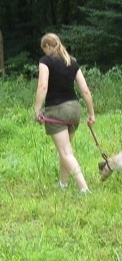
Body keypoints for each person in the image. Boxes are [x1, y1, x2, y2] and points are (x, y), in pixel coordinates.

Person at [34, 33, 95, 194]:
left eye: (44, 49)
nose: (44, 52)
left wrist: (37, 109)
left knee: (66, 152)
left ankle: (84, 189)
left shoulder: (45, 61)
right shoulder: (72, 62)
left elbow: (43, 87)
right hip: (74, 110)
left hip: (56, 111)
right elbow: (85, 91)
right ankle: (63, 183)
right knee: (65, 149)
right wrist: (91, 114)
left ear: (47, 46)